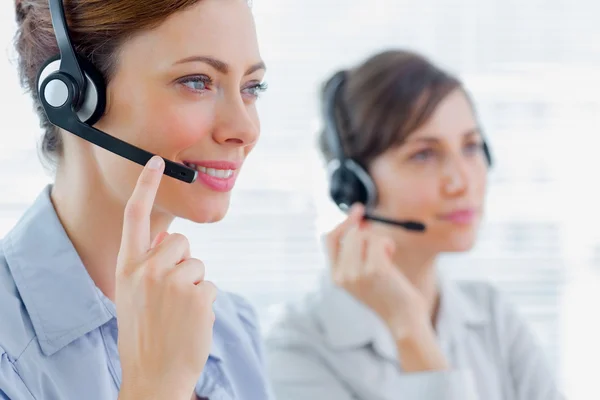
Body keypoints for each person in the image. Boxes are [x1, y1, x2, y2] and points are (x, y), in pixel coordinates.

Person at [0, 0, 273, 399]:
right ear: (75, 96)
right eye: (197, 81)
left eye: (252, 88)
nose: (245, 129)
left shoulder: (232, 329)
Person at [264, 49, 564, 400]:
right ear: (354, 183)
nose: (462, 182)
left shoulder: (493, 317)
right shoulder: (297, 352)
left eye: (471, 147)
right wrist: (410, 330)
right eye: (424, 155)